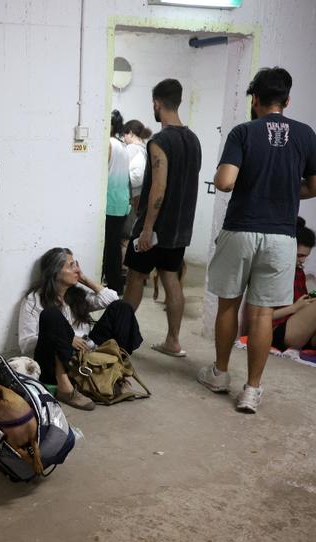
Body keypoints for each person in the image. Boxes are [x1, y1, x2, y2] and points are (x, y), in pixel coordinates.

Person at [198, 67, 316, 413]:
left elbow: (225, 182)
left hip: (241, 230)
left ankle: (220, 374)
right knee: (261, 314)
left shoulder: (243, 132)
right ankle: (252, 391)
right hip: (281, 238)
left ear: (254, 99)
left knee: (229, 305)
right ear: (287, 101)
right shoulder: (305, 134)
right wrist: (287, 190)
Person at [122, 79, 201, 358]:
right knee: (171, 278)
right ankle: (173, 341)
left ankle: (119, 339)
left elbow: (159, 186)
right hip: (180, 228)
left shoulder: (160, 140)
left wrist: (147, 228)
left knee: (135, 278)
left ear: (157, 103)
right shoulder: (193, 140)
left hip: (156, 227)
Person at [19, 247, 143, 411]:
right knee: (51, 315)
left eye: (76, 264)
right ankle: (66, 390)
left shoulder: (76, 295)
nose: (77, 269)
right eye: (71, 266)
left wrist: (84, 279)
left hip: (86, 353)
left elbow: (112, 299)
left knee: (122, 307)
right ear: (55, 272)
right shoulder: (34, 300)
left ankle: (116, 374)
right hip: (56, 363)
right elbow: (26, 344)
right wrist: (65, 338)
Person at [271, 219, 316, 352]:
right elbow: (259, 317)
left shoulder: (299, 272)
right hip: (278, 333)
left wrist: (312, 302)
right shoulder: (271, 272)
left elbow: (302, 304)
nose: (303, 260)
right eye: (299, 255)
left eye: (306, 256)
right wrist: (294, 308)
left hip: (302, 332)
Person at [103, 110, 131, 295]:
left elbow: (102, 171)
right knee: (114, 245)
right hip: (121, 202)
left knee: (109, 247)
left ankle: (112, 286)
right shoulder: (122, 145)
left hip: (110, 202)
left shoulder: (108, 144)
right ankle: (116, 285)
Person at [123, 119, 152, 210]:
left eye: (124, 135)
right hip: (143, 195)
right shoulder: (146, 149)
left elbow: (124, 173)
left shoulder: (131, 148)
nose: (124, 139)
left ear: (131, 133)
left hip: (132, 197)